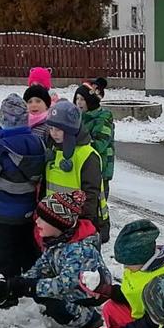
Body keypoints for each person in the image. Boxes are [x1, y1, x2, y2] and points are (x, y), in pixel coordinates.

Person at [0, 190, 110, 328]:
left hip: (89, 295)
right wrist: (12, 284)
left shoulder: (79, 250)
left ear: (58, 223)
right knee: (40, 290)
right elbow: (41, 267)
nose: (37, 221)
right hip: (74, 288)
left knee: (53, 301)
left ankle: (88, 319)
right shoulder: (56, 241)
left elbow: (65, 285)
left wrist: (27, 287)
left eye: (42, 219)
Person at [0, 93, 46, 307]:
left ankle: (7, 292)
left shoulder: (0, 150)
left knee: (6, 253)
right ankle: (33, 285)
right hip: (30, 210)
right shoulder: (37, 143)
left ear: (3, 121)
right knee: (28, 248)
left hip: (6, 214)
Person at [43, 100, 105, 238]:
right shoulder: (53, 150)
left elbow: (91, 193)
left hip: (77, 224)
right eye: (51, 129)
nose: (54, 134)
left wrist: (83, 223)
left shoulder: (87, 155)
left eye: (59, 129)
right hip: (55, 221)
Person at [74, 83, 115, 242]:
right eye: (77, 98)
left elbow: (100, 143)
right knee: (88, 201)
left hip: (101, 168)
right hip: (85, 166)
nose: (79, 103)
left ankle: (103, 232)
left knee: (100, 203)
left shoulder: (103, 117)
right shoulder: (78, 116)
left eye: (83, 99)